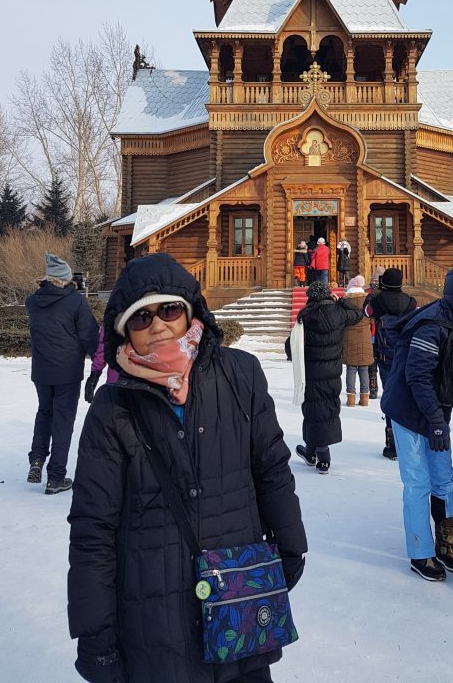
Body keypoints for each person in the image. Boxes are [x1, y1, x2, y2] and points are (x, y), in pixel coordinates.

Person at [68, 253, 307, 683]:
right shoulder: (112, 411)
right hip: (154, 614)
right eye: (140, 318)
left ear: (190, 312)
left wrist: (291, 543)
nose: (157, 324)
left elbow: (270, 466)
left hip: (238, 597)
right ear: (124, 332)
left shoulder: (240, 375)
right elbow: (93, 529)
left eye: (169, 309)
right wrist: (95, 635)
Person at [381, 264, 453, 581]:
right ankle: (420, 551)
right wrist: (436, 423)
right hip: (409, 409)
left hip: (437, 410)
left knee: (445, 479)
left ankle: (446, 543)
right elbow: (417, 376)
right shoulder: (432, 324)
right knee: (418, 482)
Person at [25, 253, 99, 495]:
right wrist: (99, 363)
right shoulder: (76, 302)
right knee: (63, 420)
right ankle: (56, 477)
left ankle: (36, 461)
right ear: (66, 279)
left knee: (44, 412)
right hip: (67, 372)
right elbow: (90, 336)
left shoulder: (32, 302)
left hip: (42, 371)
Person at [295, 279, 363, 474]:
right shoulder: (339, 313)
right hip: (333, 372)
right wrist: (341, 300)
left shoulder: (304, 317)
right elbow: (358, 314)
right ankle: (310, 452)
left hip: (311, 373)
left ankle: (322, 457)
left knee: (313, 411)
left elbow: (292, 347)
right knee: (326, 410)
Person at [365, 267, 417, 456]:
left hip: (385, 356)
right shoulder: (411, 302)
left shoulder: (377, 302)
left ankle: (392, 443)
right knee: (407, 395)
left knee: (390, 396)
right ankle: (408, 441)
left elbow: (367, 312)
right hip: (406, 354)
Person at [341, 276, 374, 407]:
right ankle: (365, 397)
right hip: (365, 336)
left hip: (349, 336)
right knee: (364, 368)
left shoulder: (345, 302)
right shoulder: (367, 302)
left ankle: (351, 398)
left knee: (351, 368)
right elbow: (372, 319)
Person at [83, 325, 119, 404]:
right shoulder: (114, 316)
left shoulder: (114, 315)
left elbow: (103, 348)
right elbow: (104, 348)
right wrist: (94, 376)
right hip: (117, 382)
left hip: (118, 382)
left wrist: (94, 374)